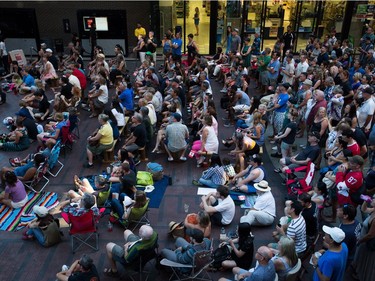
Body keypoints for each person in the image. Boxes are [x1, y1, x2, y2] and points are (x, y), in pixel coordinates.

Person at [352, 194, 375, 281]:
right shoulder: (373, 210)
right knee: (360, 255)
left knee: (365, 261)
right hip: (363, 238)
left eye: (374, 199)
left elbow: (371, 235)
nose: (372, 199)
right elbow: (363, 209)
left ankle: (361, 276)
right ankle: (356, 269)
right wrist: (365, 201)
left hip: (367, 241)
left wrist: (360, 241)